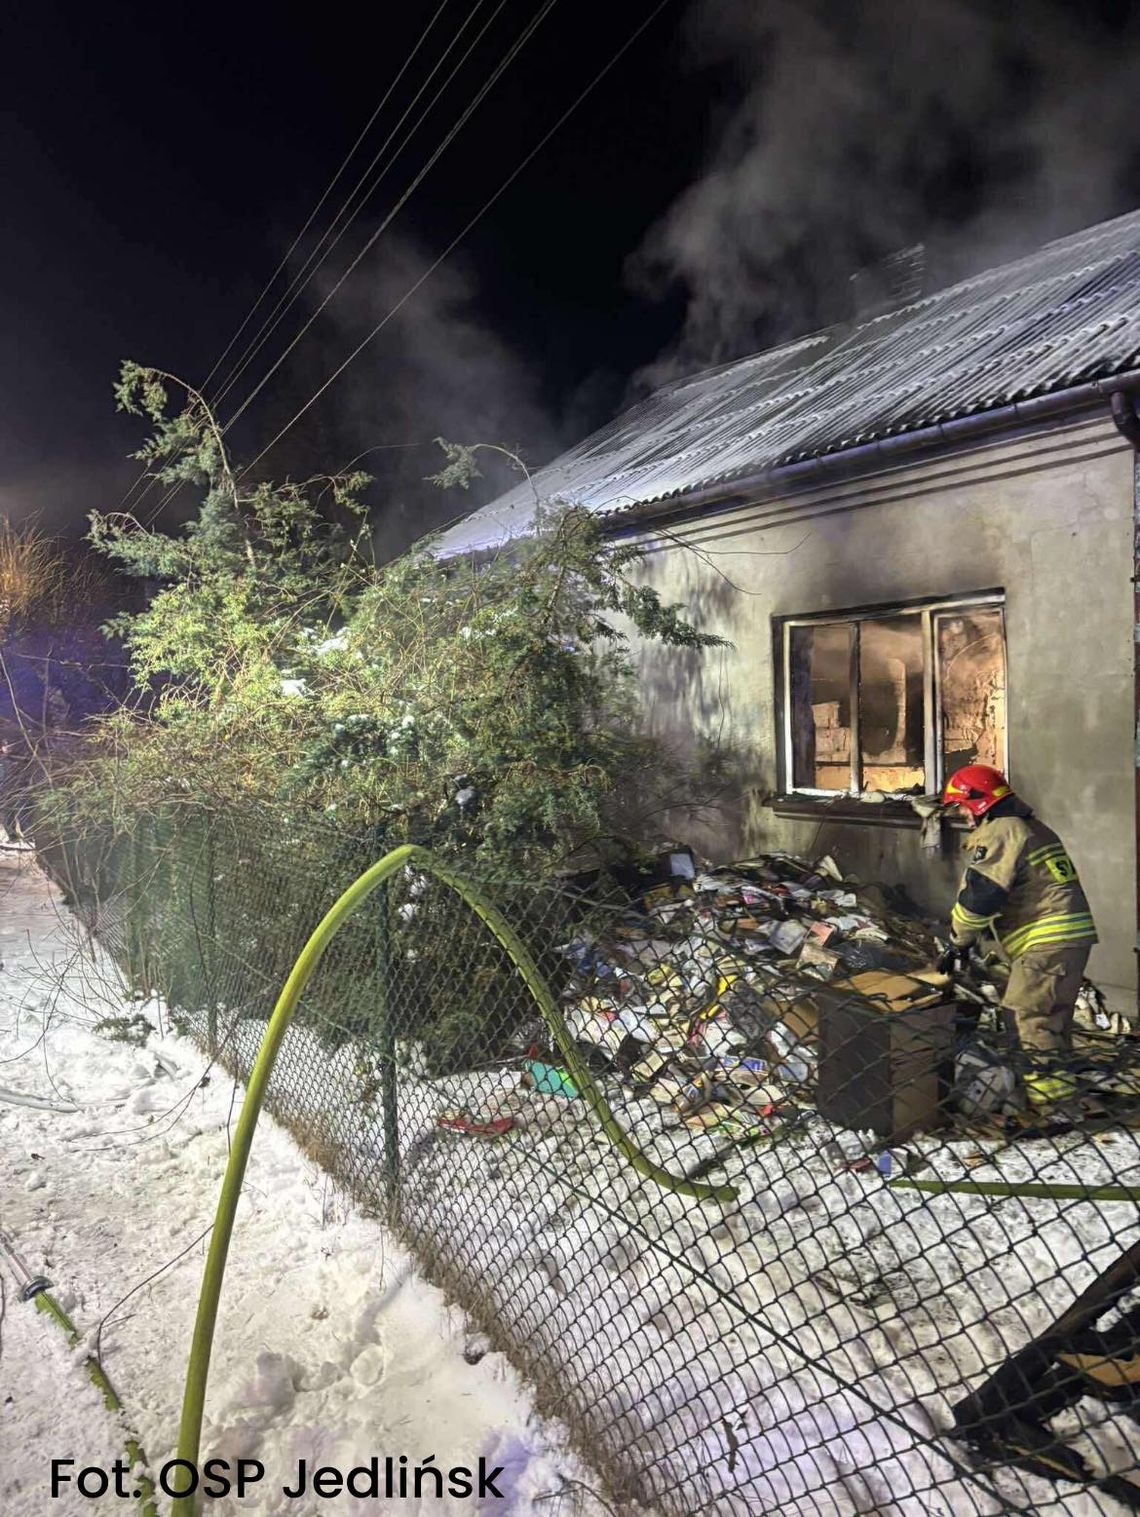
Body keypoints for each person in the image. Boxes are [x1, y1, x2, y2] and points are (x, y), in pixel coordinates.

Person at [938, 764, 1097, 1107]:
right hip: (1068, 939)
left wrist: (958, 940)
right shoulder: (1034, 829)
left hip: (1047, 940)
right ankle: (1058, 1097)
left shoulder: (1003, 831)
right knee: (1049, 1022)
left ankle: (1053, 1110)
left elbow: (981, 895)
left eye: (962, 808)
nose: (963, 818)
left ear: (977, 802)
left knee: (1026, 1016)